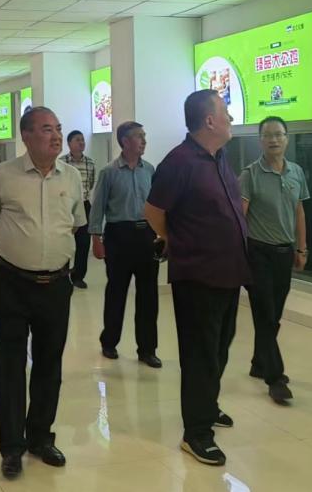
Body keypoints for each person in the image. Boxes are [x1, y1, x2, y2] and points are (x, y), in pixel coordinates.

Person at [0, 107, 86, 480]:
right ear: (25, 136)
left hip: (56, 284)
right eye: (46, 129)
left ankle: (40, 437)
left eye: (58, 129)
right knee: (11, 365)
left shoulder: (71, 176)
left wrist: (47, 251)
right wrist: (16, 247)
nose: (56, 136)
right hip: (11, 282)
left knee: (49, 363)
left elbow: (76, 224)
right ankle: (12, 447)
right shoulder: (2, 175)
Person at [145, 90, 249, 467]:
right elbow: (153, 211)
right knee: (200, 353)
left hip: (228, 273)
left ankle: (207, 405)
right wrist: (178, 239)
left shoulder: (219, 157)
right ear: (209, 121)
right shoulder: (179, 162)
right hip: (198, 275)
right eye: (225, 112)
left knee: (220, 347)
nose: (230, 118)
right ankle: (197, 433)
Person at [239, 116, 309, 406]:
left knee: (273, 315)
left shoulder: (296, 172)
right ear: (260, 140)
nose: (274, 140)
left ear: (287, 138)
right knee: (265, 314)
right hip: (257, 253)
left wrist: (301, 249)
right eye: (268, 135)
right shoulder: (250, 175)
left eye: (279, 134)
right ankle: (275, 378)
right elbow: (240, 217)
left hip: (284, 252)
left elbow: (299, 211)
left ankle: (259, 361)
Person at [89, 121, 161, 368]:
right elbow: (98, 207)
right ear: (125, 141)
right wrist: (96, 239)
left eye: (144, 136)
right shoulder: (109, 172)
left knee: (149, 295)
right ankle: (109, 342)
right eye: (139, 136)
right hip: (118, 236)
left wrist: (162, 234)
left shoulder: (149, 170)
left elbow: (156, 205)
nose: (144, 141)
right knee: (116, 292)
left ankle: (147, 349)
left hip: (146, 236)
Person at [62, 130, 95, 289]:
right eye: (77, 140)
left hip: (84, 205)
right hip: (65, 206)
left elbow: (91, 183)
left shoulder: (90, 163)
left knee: (83, 243)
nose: (81, 142)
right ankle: (62, 275)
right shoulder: (61, 162)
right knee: (64, 242)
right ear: (69, 143)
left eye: (83, 140)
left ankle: (78, 277)